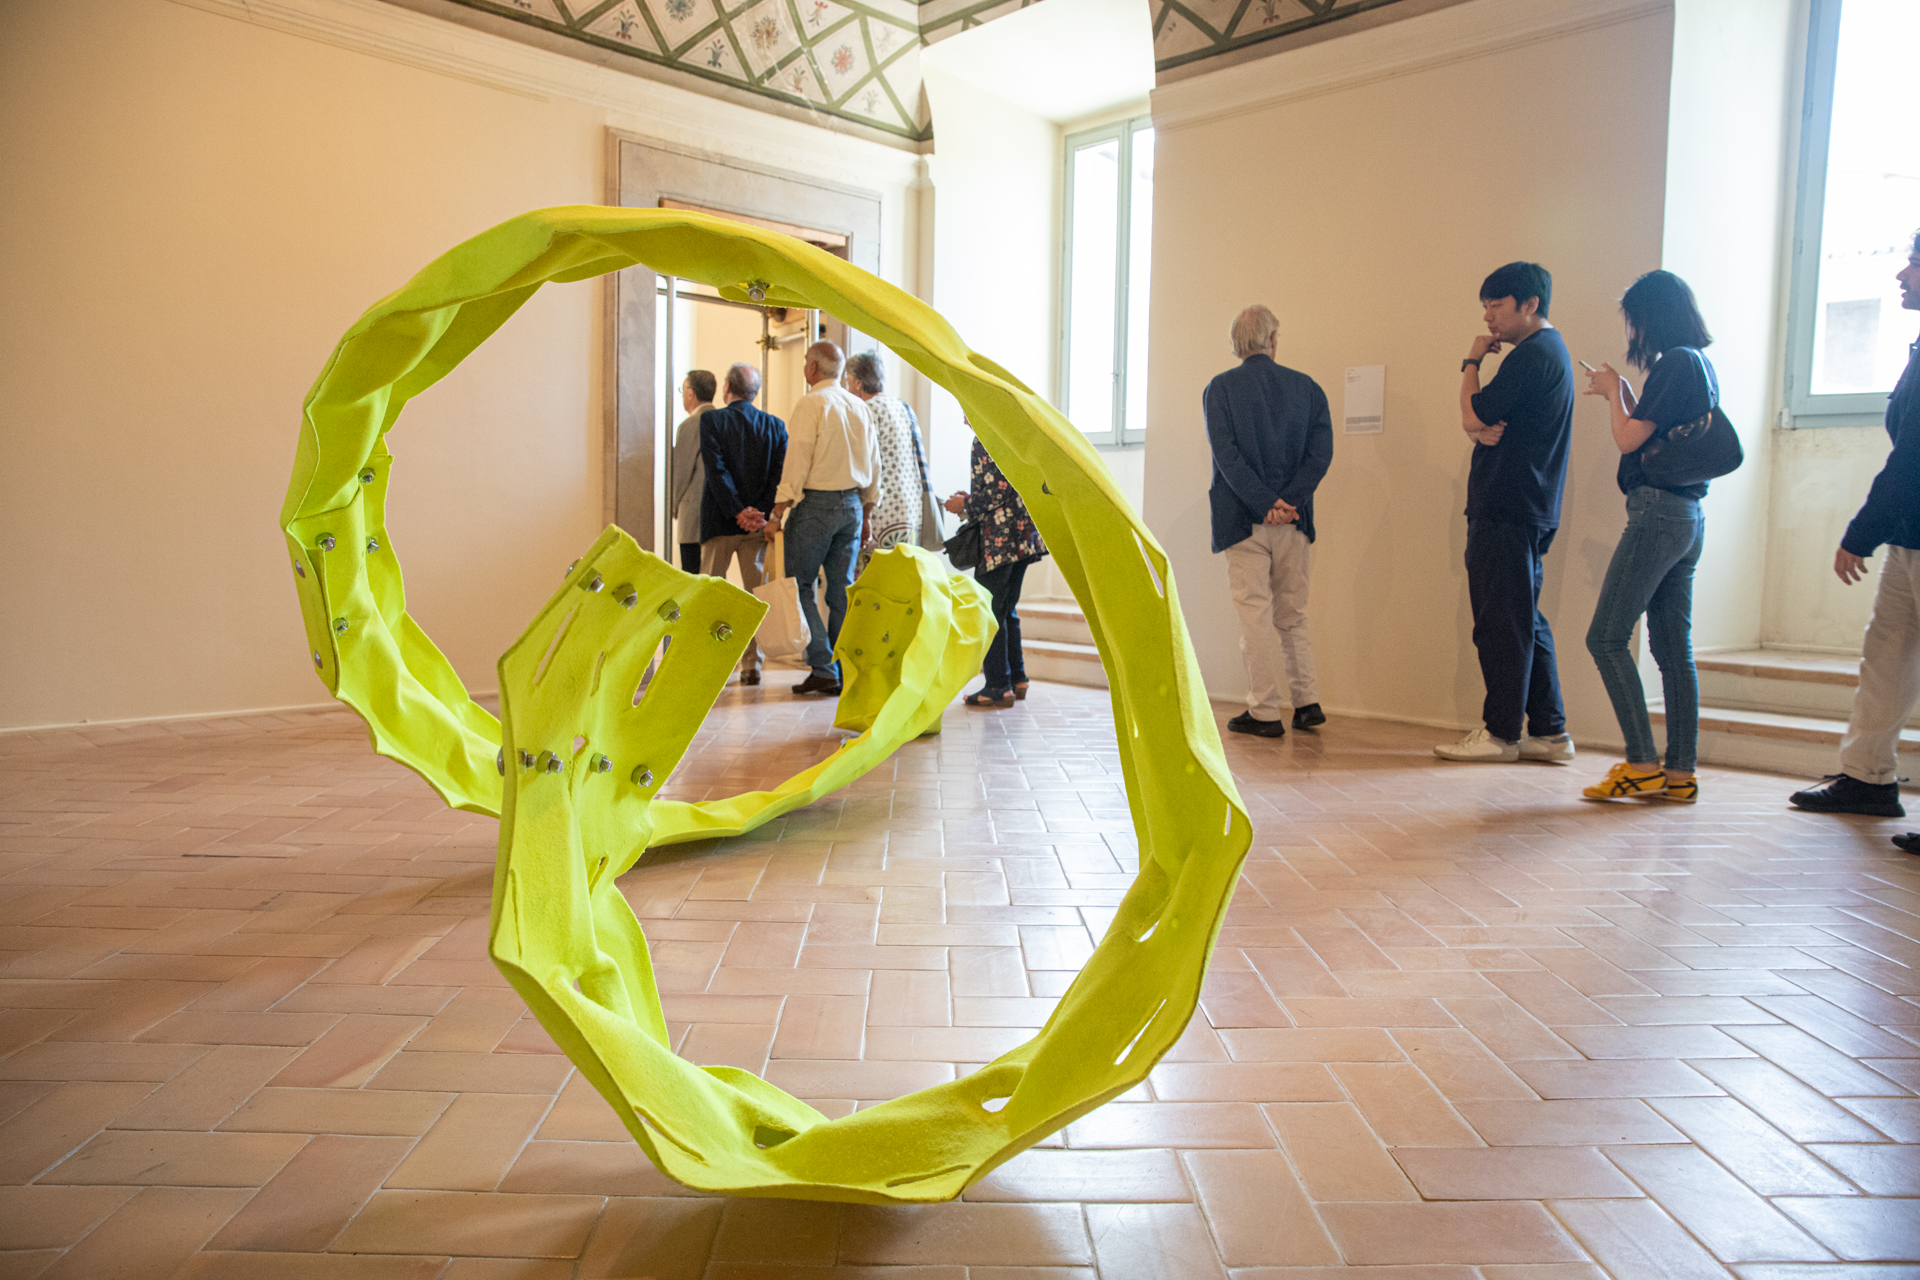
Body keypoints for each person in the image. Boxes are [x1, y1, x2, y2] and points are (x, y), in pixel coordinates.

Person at [1790, 231, 1920, 833]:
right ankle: (1868, 779)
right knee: (1886, 655)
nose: (1901, 274)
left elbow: (1912, 456)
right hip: (1909, 536)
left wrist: (1860, 533)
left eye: (1913, 263)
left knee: (1890, 653)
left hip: (1904, 526)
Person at [1580, 270, 1718, 803]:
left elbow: (1628, 439)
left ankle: (1641, 763)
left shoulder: (1674, 362)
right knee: (1673, 650)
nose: (1631, 330)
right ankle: (1680, 774)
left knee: (1605, 638)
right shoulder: (1696, 362)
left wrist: (1613, 395)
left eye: (1633, 320)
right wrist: (1627, 391)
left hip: (1657, 512)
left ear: (1648, 317)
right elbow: (1654, 428)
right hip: (1688, 516)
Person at [1434, 262, 1577, 765]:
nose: (1488, 317)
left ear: (1529, 304)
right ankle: (1550, 732)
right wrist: (1478, 428)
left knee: (1501, 625)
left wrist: (1471, 362)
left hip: (1507, 507)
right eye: (1485, 306)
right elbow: (1481, 422)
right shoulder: (1550, 352)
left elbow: (1473, 412)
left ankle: (1500, 733)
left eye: (1496, 305)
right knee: (1524, 620)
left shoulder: (1533, 355)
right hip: (1528, 507)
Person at [1203, 304, 1334, 739]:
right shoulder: (1308, 388)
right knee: (1293, 614)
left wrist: (1264, 503)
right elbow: (1320, 454)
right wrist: (1288, 502)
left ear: (1236, 343)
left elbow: (1227, 458)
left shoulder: (1219, 389)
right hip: (1295, 522)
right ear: (1273, 339)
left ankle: (1263, 711)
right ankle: (1307, 703)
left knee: (1255, 615)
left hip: (1243, 521)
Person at [766, 341, 877, 697]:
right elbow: (875, 466)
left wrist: (778, 512)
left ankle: (823, 667)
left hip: (816, 506)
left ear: (812, 368)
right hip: (853, 507)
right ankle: (842, 669)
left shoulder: (811, 403)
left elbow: (797, 461)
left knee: (800, 585)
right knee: (841, 591)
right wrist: (867, 513)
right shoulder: (859, 407)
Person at [699, 363, 787, 686]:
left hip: (719, 521)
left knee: (711, 593)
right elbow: (778, 476)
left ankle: (710, 664)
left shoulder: (712, 420)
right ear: (756, 392)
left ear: (727, 388)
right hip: (757, 528)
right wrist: (758, 512)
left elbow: (716, 469)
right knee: (754, 597)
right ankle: (752, 665)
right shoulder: (775, 426)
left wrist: (736, 510)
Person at [946, 429, 1047, 707]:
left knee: (990, 611)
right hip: (1023, 535)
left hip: (999, 540)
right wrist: (973, 498)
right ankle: (1017, 678)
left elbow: (997, 492)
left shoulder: (985, 438)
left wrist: (964, 503)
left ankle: (997, 686)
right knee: (1006, 609)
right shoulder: (1010, 433)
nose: (963, 417)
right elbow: (1009, 486)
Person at [844, 351, 941, 570]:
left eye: (848, 380)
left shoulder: (864, 411)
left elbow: (861, 463)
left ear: (858, 383)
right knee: (903, 572)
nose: (848, 387)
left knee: (876, 575)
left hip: (879, 509)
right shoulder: (904, 407)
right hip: (910, 507)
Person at [669, 370, 718, 574]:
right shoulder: (722, 419)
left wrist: (672, 506)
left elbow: (681, 472)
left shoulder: (690, 425)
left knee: (692, 574)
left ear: (691, 393)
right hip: (718, 514)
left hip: (694, 514)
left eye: (683, 390)